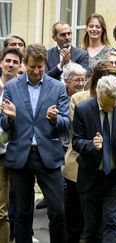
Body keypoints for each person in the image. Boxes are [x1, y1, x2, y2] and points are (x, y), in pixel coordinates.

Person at [0, 43, 69, 242]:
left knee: (57, 211)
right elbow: (4, 124)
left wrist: (54, 119)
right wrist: (10, 117)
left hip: (48, 155)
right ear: (25, 63)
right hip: (21, 155)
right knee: (22, 213)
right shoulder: (12, 86)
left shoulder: (57, 87)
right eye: (32, 67)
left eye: (40, 66)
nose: (37, 71)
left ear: (45, 64)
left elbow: (66, 123)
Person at [72, 75, 116, 242]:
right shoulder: (83, 109)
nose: (112, 106)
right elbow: (76, 142)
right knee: (92, 229)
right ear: (99, 94)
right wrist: (91, 145)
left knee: (111, 223)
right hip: (91, 177)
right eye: (108, 103)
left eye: (114, 101)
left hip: (115, 177)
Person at [63, 61, 116, 243]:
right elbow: (79, 134)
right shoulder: (79, 100)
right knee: (76, 222)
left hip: (107, 170)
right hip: (80, 167)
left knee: (105, 224)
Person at [0, 47, 23, 243]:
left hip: (9, 154)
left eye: (15, 62)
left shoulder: (21, 90)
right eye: (8, 60)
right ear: (1, 63)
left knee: (3, 210)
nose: (11, 65)